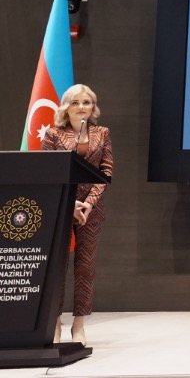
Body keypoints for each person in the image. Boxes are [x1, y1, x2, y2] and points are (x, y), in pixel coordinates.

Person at [41, 84, 114, 346]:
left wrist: (88, 204)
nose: (82, 107)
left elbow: (106, 173)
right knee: (57, 267)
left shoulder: (102, 133)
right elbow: (46, 172)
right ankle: (54, 324)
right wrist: (70, 204)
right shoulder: (53, 134)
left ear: (93, 106)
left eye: (87, 102)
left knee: (85, 268)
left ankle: (79, 325)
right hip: (62, 208)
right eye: (76, 102)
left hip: (91, 211)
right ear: (66, 107)